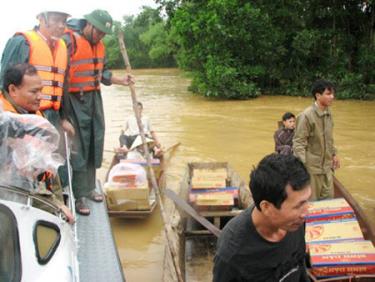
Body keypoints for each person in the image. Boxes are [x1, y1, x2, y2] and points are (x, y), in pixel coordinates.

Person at [62, 10, 134, 215]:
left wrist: (121, 80)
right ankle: (79, 195)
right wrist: (63, 113)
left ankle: (90, 187)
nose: (101, 36)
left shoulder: (99, 46)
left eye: (104, 34)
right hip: (75, 99)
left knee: (95, 141)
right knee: (79, 147)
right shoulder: (69, 40)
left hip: (94, 98)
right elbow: (62, 75)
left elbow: (103, 73)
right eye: (99, 32)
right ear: (89, 25)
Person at [0, 7, 75, 188]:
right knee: (21, 163)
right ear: (41, 18)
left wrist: (64, 117)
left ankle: (53, 197)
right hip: (25, 113)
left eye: (64, 22)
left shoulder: (63, 47)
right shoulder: (22, 42)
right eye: (56, 20)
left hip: (52, 114)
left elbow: (62, 85)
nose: (61, 26)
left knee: (53, 162)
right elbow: (7, 81)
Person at [213, 153, 311, 282]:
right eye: (298, 206)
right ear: (266, 207)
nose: (306, 212)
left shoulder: (295, 222)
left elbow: (299, 265)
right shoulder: (232, 255)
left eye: (306, 201)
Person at [0, 63, 74, 224]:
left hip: (45, 191)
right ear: (13, 90)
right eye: (34, 91)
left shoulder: (32, 114)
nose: (40, 96)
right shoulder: (5, 126)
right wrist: (56, 205)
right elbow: (17, 182)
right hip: (16, 207)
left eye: (41, 90)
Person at [293, 79, 340, 200]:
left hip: (327, 167)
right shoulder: (306, 116)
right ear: (318, 96)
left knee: (328, 200)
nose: (332, 97)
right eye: (328, 94)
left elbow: (329, 138)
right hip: (312, 169)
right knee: (311, 203)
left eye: (332, 93)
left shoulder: (328, 113)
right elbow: (299, 143)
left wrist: (334, 154)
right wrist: (301, 168)